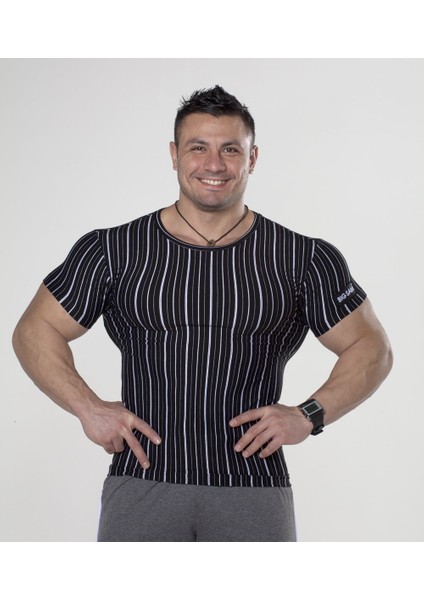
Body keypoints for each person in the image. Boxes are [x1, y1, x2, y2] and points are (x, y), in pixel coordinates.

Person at [12, 85, 393, 542]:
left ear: (252, 158)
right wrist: (87, 407)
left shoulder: (302, 258)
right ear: (174, 155)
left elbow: (371, 347)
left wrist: (309, 414)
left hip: (253, 489)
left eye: (230, 149)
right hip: (142, 483)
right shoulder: (113, 250)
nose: (214, 164)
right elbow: (35, 329)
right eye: (198, 148)